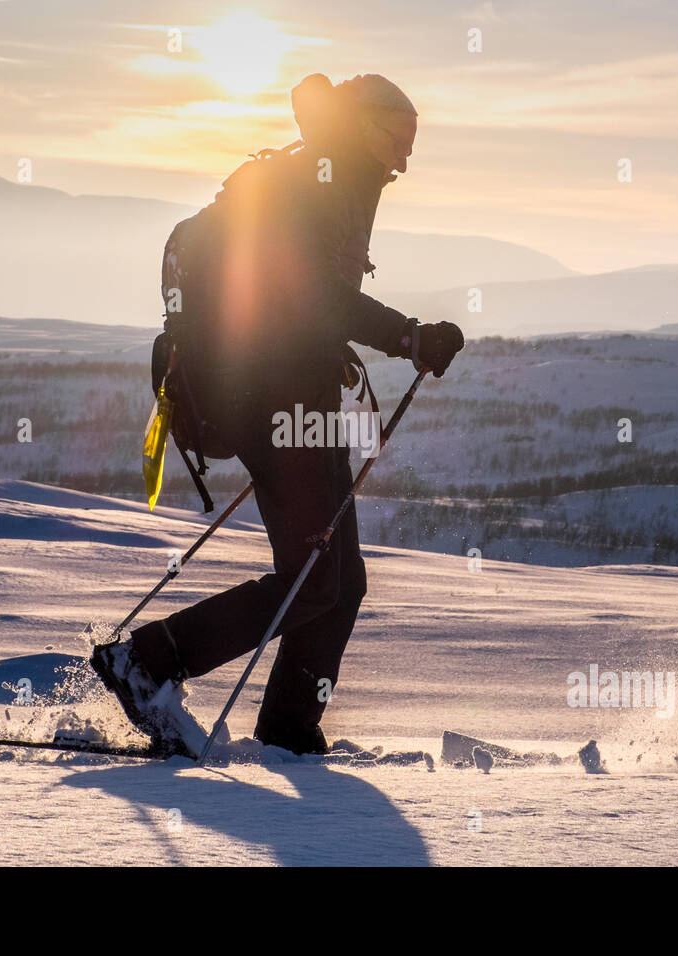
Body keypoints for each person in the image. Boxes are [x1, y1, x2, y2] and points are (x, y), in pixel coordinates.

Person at [91, 73, 464, 756]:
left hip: (291, 403)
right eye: (398, 141)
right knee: (316, 579)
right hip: (275, 403)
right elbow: (317, 298)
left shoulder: (325, 179)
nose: (403, 160)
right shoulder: (322, 183)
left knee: (339, 582)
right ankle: (148, 663)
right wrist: (411, 337)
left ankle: (289, 730)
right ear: (365, 127)